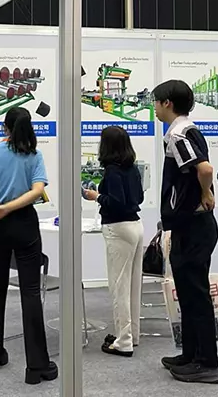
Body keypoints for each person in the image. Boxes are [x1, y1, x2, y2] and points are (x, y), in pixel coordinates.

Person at [0, 107, 58, 386]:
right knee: (30, 292)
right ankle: (37, 366)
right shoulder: (34, 154)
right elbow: (37, 191)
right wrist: (10, 208)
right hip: (24, 224)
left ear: (5, 127)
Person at [153, 79, 218, 384]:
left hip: (194, 226)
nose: (154, 107)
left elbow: (204, 169)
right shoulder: (184, 130)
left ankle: (207, 363)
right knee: (188, 293)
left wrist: (206, 192)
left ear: (167, 103)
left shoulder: (178, 134)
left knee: (195, 295)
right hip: (191, 225)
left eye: (156, 101)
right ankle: (190, 354)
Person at [82, 125, 145, 357]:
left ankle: (123, 342)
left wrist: (96, 196)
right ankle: (132, 334)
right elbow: (138, 197)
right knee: (133, 286)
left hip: (118, 228)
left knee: (119, 287)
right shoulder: (133, 169)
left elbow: (115, 202)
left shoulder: (112, 171)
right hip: (136, 226)